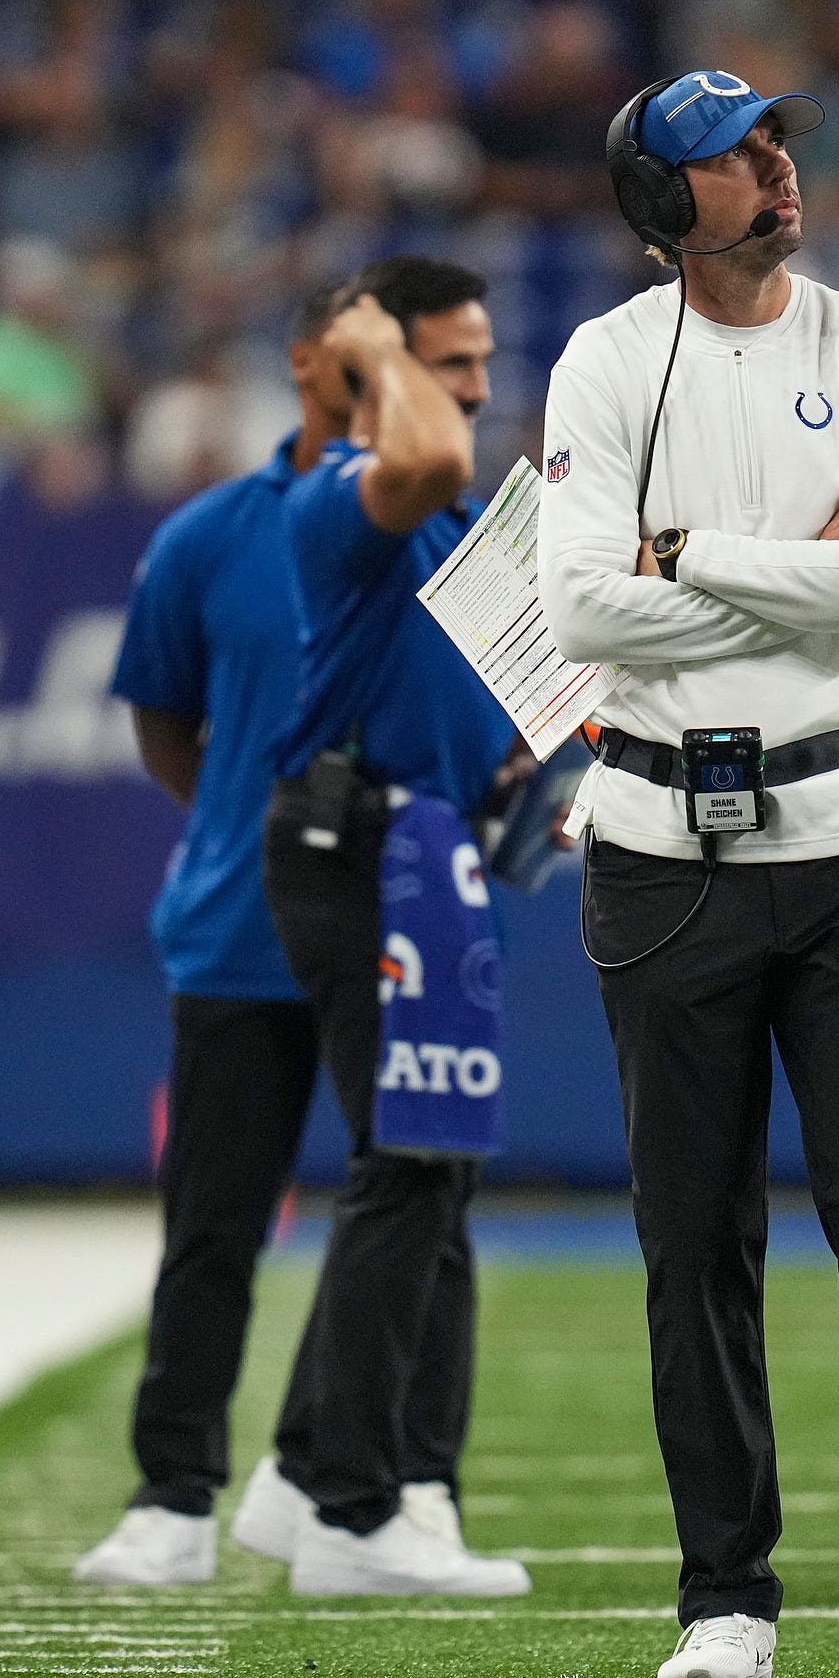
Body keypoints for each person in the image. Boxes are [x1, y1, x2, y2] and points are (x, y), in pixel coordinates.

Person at [537, 71, 839, 1678]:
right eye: (731, 157)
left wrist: (692, 557)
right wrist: (798, 578)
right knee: (695, 1235)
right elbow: (582, 614)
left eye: (774, 141)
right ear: (665, 206)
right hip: (659, 846)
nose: (774, 167)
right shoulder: (605, 362)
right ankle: (723, 1604)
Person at [241, 255, 531, 1598]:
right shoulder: (344, 498)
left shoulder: (442, 515)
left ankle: (315, 1476)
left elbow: (460, 695)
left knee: (424, 1166)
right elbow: (415, 445)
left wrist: (516, 781)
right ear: (392, 365)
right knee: (412, 1163)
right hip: (357, 852)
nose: (474, 388)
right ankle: (358, 1507)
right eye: (451, 362)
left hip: (425, 850)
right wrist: (377, 356)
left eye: (480, 361)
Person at [72, 284, 350, 1587]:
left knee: (412, 1214)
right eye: (365, 357)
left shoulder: (457, 532)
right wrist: (266, 829)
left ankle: (323, 1478)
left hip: (393, 927)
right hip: (240, 922)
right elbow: (162, 717)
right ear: (301, 365)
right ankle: (172, 1494)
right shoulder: (203, 538)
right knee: (213, 1223)